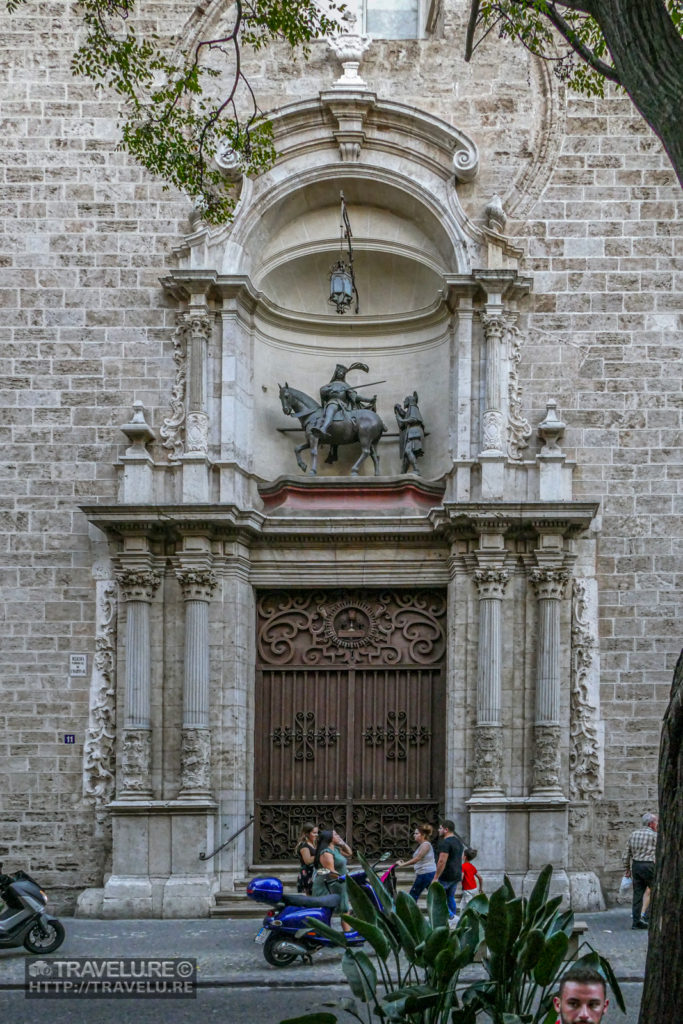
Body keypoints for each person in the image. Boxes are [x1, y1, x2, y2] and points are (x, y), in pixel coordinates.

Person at [311, 362, 376, 440]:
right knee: (331, 405)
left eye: (342, 372)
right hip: (332, 401)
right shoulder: (331, 384)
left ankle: (324, 428)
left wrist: (369, 400)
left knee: (332, 406)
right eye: (339, 372)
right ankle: (324, 427)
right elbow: (322, 391)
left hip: (340, 404)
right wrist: (331, 389)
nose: (341, 373)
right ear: (336, 373)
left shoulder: (345, 385)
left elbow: (355, 397)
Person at [312, 828, 354, 932]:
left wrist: (342, 843)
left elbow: (349, 853)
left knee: (345, 910)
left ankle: (347, 934)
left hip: (339, 883)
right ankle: (325, 933)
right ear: (329, 838)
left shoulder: (335, 849)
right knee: (329, 910)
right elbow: (331, 872)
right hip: (329, 884)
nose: (338, 836)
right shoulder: (326, 853)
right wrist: (347, 877)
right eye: (335, 835)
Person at [621, 811, 658, 929]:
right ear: (651, 824)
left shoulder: (633, 834)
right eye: (656, 822)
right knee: (656, 891)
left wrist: (627, 869)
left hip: (636, 865)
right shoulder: (654, 836)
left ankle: (636, 922)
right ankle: (648, 917)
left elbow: (626, 854)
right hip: (649, 865)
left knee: (637, 894)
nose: (657, 824)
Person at [398, 823, 436, 902]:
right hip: (426, 873)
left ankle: (410, 913)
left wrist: (403, 864)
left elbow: (417, 858)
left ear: (423, 835)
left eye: (416, 833)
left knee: (413, 894)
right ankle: (449, 914)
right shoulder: (423, 845)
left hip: (425, 873)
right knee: (434, 896)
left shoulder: (425, 845)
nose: (414, 835)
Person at [433, 819, 463, 919]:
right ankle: (453, 916)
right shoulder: (458, 842)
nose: (438, 830)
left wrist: (436, 877)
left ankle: (451, 916)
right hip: (456, 874)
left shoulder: (445, 843)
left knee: (439, 898)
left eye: (440, 828)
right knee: (450, 897)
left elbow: (442, 861)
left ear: (446, 829)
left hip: (446, 875)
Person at [394, 391, 425, 474]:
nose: (404, 402)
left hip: (414, 432)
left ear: (409, 401)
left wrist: (403, 420)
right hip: (411, 433)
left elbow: (414, 419)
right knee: (406, 456)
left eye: (405, 400)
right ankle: (403, 473)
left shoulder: (413, 408)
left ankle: (416, 469)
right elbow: (404, 418)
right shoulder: (410, 410)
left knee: (408, 451)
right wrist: (397, 411)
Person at [295, 822, 318, 895]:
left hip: (313, 873)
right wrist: (320, 855)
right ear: (307, 833)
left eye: (317, 833)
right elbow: (308, 861)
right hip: (307, 875)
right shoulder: (304, 845)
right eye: (314, 833)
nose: (316, 835)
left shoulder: (313, 843)